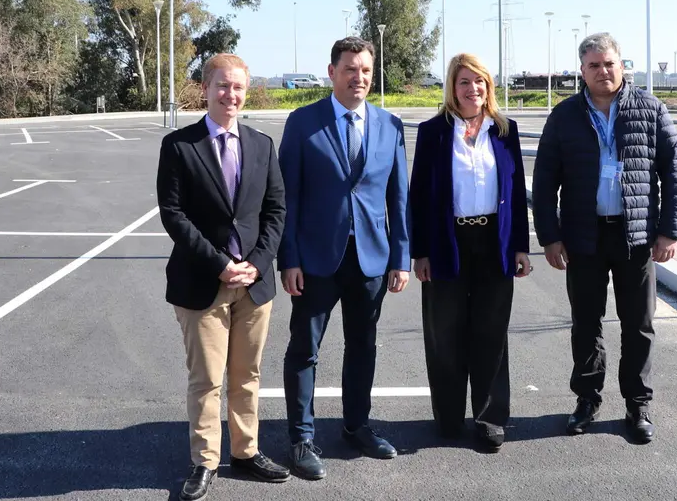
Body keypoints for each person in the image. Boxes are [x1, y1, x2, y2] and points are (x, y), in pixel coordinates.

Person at [531, 32, 677, 444]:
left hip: (635, 236)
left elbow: (673, 173)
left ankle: (638, 405)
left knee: (639, 324)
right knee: (586, 322)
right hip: (583, 235)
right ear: (582, 71)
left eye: (609, 63)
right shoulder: (564, 116)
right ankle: (587, 400)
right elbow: (544, 181)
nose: (603, 71)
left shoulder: (650, 110)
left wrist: (669, 230)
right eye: (594, 65)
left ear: (623, 65)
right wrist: (549, 236)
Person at [157, 53, 290, 499]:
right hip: (202, 283)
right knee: (207, 380)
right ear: (205, 88)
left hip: (254, 284)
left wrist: (258, 261)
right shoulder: (179, 147)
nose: (230, 94)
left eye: (237, 87)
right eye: (222, 86)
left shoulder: (261, 144)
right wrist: (220, 264)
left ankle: (246, 452)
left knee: (247, 375)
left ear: (245, 91)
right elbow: (173, 215)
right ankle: (205, 461)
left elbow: (275, 211)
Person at [277, 36, 410, 480]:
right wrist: (288, 258)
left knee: (363, 347)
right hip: (315, 260)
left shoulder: (390, 125)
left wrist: (401, 258)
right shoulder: (302, 123)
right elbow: (287, 198)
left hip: (371, 258)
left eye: (366, 71)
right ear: (332, 72)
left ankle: (356, 426)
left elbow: (399, 199)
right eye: (350, 69)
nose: (359, 78)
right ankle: (301, 438)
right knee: (304, 350)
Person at [407, 53, 531, 452]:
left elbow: (516, 192)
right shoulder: (432, 132)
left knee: (490, 333)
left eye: (479, 82)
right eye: (464, 82)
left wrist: (521, 247)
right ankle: (447, 416)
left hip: (494, 243)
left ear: (488, 87)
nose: (472, 89)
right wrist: (420, 252)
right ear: (452, 87)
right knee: (445, 334)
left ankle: (490, 419)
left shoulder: (505, 130)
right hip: (448, 243)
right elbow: (420, 197)